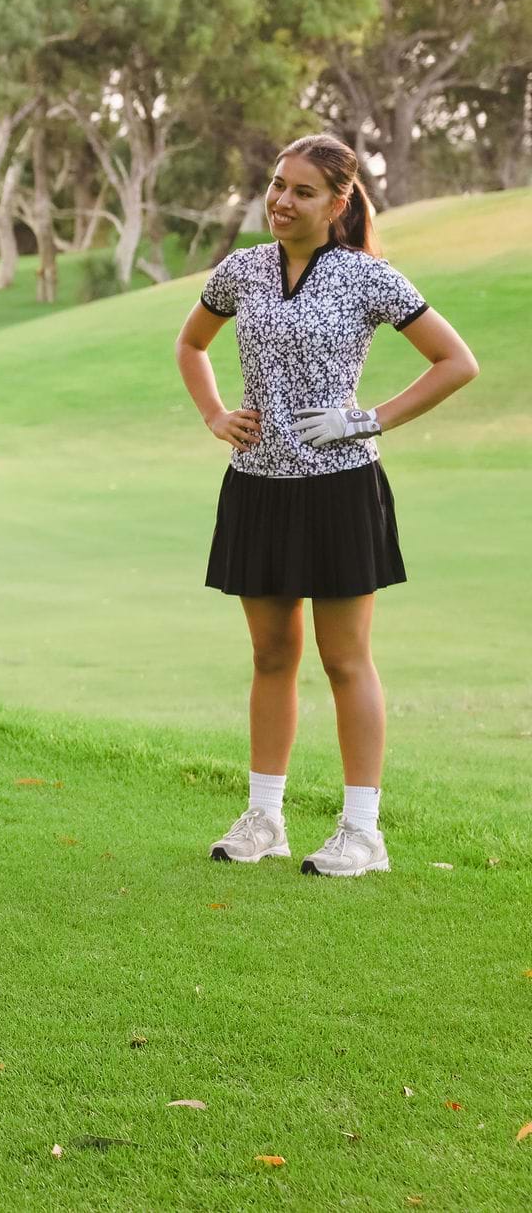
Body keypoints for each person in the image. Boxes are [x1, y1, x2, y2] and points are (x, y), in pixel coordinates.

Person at [175, 133, 478, 877]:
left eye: (302, 191)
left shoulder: (369, 279)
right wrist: (217, 416)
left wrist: (366, 417)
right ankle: (265, 818)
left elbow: (456, 362)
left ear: (339, 204)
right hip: (259, 486)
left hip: (342, 488)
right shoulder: (241, 271)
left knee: (344, 659)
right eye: (277, 184)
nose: (281, 200)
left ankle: (362, 832)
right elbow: (192, 345)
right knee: (272, 654)